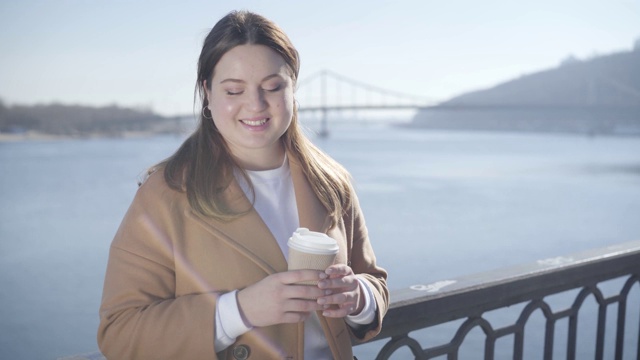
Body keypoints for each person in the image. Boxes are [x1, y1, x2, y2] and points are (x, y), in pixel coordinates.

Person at [97, 10, 388, 360]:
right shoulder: (164, 194)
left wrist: (359, 298)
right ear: (207, 92)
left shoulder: (332, 182)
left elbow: (374, 283)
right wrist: (239, 310)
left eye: (273, 86)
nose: (255, 104)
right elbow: (119, 332)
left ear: (293, 89)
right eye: (234, 90)